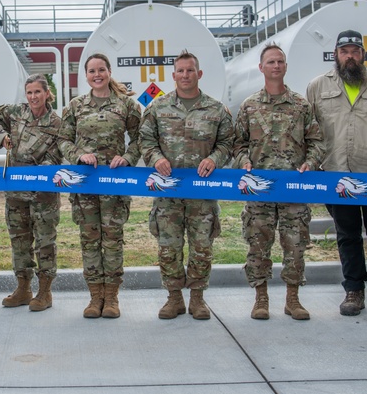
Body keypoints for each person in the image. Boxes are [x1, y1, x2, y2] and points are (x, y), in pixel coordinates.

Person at [306, 29, 367, 317]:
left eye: (355, 51)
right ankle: (354, 290)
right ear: (336, 55)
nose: (350, 56)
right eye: (344, 51)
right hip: (336, 172)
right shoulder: (317, 86)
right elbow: (310, 128)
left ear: (363, 55)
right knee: (347, 234)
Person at [140, 50, 234, 320]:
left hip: (202, 194)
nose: (185, 75)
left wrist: (215, 159)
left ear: (199, 74)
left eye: (190, 70)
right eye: (180, 71)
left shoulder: (216, 109)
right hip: (167, 194)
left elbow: (228, 143)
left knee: (201, 247)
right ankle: (174, 298)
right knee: (168, 247)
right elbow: (145, 140)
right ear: (173, 76)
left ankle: (197, 299)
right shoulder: (158, 107)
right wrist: (156, 158)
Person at [234, 44, 325, 320]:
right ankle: (261, 298)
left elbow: (317, 142)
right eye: (271, 62)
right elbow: (238, 144)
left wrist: (311, 162)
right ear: (261, 68)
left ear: (285, 67)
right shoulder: (249, 107)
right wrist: (243, 163)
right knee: (258, 245)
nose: (276, 66)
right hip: (259, 190)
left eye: (280, 62)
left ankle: (293, 299)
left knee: (295, 245)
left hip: (293, 190)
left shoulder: (301, 106)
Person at [59, 53, 142, 319]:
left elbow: (141, 138)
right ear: (86, 75)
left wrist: (128, 157)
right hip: (85, 184)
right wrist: (78, 156)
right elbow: (63, 140)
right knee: (90, 240)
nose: (97, 75)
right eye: (92, 71)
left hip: (115, 184)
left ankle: (112, 298)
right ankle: (95, 298)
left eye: (102, 70)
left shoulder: (127, 105)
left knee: (113, 240)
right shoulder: (75, 106)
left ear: (109, 72)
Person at [0, 74, 67, 312]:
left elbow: (59, 153)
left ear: (47, 93)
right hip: (16, 191)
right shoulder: (16, 112)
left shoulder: (58, 122)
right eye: (29, 93)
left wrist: (40, 171)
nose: (33, 97)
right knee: (19, 240)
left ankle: (45, 291)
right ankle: (23, 288)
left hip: (43, 193)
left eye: (38, 92)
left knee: (45, 241)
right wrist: (1, 136)